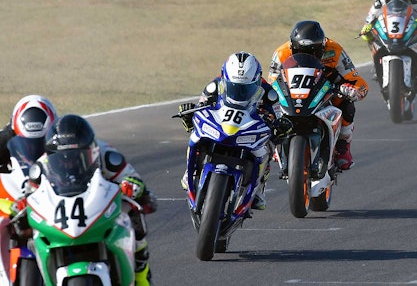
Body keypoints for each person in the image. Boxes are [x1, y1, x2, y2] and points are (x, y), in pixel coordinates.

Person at [17, 114, 157, 286]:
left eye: (76, 156)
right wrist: (22, 205)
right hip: (63, 218)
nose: (68, 163)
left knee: (134, 217)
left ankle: (142, 278)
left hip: (100, 208)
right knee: (31, 237)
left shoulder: (107, 156)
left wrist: (131, 185)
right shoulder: (41, 166)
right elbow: (28, 195)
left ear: (92, 151)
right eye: (61, 159)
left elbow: (135, 180)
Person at [177, 51, 278, 210]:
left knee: (269, 145)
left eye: (246, 88)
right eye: (234, 87)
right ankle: (190, 170)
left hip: (248, 127)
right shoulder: (213, 86)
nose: (240, 92)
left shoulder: (270, 93)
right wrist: (189, 116)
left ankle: (258, 188)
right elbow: (201, 109)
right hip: (221, 122)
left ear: (257, 81)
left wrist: (279, 126)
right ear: (225, 78)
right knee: (196, 134)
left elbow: (278, 117)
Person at [267, 20, 368, 170]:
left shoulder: (334, 50)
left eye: (314, 51)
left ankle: (343, 145)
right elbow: (272, 83)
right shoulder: (282, 53)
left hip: (325, 88)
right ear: (292, 47)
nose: (309, 55)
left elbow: (356, 80)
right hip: (293, 92)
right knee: (269, 105)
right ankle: (274, 140)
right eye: (300, 51)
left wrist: (353, 90)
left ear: (322, 46)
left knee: (347, 105)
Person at [0, 95, 57, 284]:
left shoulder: (63, 140)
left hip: (51, 198)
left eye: (40, 143)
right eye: (28, 143)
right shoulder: (4, 139)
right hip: (11, 199)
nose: (33, 148)